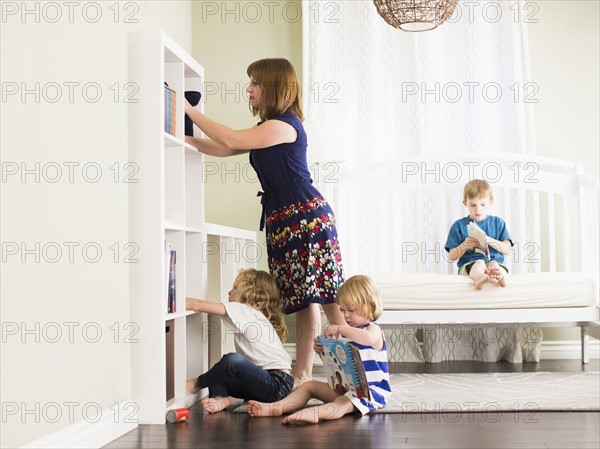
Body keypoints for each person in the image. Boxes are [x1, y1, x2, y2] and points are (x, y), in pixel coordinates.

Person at [184, 58, 345, 387]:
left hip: (304, 218)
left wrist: (186, 108)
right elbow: (221, 147)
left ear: (274, 87)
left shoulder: (284, 125)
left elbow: (230, 139)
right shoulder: (266, 129)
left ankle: (357, 367)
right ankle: (302, 376)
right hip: (285, 219)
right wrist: (188, 140)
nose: (249, 88)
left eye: (256, 82)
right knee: (303, 300)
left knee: (326, 297)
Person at [247, 275, 391, 424]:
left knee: (342, 403)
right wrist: (323, 352)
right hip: (349, 390)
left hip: (371, 393)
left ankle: (315, 413)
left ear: (370, 305)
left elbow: (366, 339)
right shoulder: (347, 334)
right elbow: (339, 366)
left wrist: (341, 328)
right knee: (309, 385)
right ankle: (278, 407)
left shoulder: (373, 330)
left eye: (351, 310)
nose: (346, 315)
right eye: (342, 310)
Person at [185, 269, 293, 414]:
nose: (229, 292)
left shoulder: (244, 310)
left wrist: (168, 302)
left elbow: (196, 305)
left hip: (276, 384)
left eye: (235, 287)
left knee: (232, 360)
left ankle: (196, 384)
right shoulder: (253, 314)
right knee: (218, 372)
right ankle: (220, 398)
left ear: (250, 293)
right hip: (267, 386)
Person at [445, 179, 514, 289]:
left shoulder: (498, 223)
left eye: (483, 204)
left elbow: (507, 250)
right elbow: (451, 256)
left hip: (495, 263)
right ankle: (480, 278)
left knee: (494, 265)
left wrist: (488, 240)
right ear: (465, 203)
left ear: (491, 202)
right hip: (469, 265)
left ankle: (499, 276)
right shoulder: (458, 225)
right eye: (473, 205)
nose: (478, 209)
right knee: (479, 262)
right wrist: (464, 245)